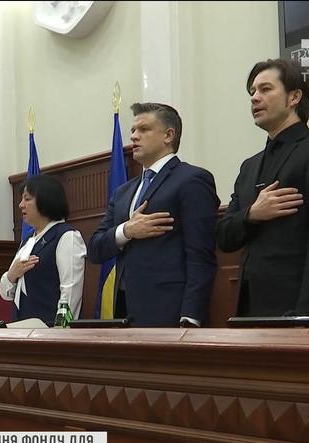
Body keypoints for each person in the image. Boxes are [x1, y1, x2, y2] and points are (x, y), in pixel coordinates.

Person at [216, 58, 309, 326]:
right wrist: (252, 214)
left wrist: (306, 315)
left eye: (265, 89)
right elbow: (224, 237)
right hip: (250, 310)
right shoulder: (249, 166)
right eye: (252, 91)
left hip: (300, 309)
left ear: (294, 97)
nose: (254, 97)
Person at [87, 102, 219, 327]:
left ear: (168, 135)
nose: (134, 136)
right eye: (133, 130)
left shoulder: (192, 180)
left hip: (168, 311)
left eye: (144, 129)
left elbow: (200, 255)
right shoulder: (123, 192)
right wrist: (127, 230)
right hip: (122, 311)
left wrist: (191, 316)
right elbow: (95, 249)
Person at [0, 175, 86, 326]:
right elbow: (5, 293)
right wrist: (12, 274)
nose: (21, 205)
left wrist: (61, 331)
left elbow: (70, 292)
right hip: (21, 328)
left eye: (27, 199)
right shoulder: (28, 241)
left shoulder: (66, 236)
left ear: (46, 200)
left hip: (49, 330)